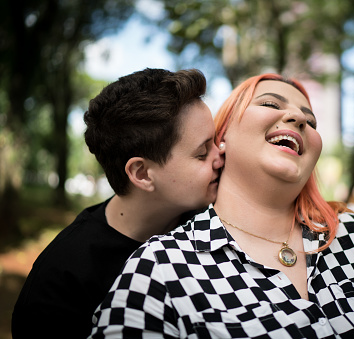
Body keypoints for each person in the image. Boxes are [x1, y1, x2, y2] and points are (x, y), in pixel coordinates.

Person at [90, 73, 354, 338]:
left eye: (311, 120)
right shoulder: (161, 266)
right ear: (222, 136)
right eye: (271, 103)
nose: (298, 118)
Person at [11, 68, 224, 338]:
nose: (221, 154)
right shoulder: (60, 284)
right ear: (142, 174)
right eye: (203, 153)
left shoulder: (215, 226)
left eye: (217, 140)